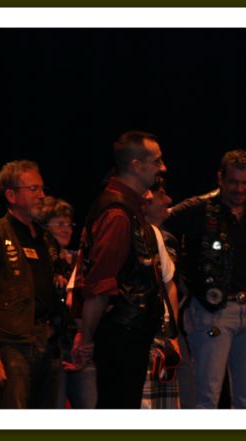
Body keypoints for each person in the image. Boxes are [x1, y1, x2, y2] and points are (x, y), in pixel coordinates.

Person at [68, 130, 179, 409]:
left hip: (128, 332)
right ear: (136, 165)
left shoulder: (127, 207)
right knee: (118, 407)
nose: (163, 167)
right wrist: (87, 339)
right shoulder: (117, 212)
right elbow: (98, 284)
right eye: (157, 161)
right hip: (121, 335)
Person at [165, 149, 246, 409]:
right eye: (234, 182)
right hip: (210, 310)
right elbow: (158, 223)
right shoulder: (197, 208)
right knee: (205, 396)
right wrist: (179, 280)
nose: (240, 189)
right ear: (220, 178)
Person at [0, 160, 63, 408]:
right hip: (12, 345)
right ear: (11, 195)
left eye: (42, 188)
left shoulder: (45, 238)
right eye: (34, 189)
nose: (42, 195)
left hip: (48, 340)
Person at [38, 196, 98, 409]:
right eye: (60, 224)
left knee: (91, 407)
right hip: (52, 346)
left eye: (69, 224)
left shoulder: (80, 260)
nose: (67, 229)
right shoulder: (39, 261)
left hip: (79, 344)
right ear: (45, 228)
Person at [140, 176, 192, 409]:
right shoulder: (126, 233)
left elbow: (171, 285)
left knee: (172, 399)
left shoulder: (165, 238)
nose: (169, 200)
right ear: (146, 199)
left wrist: (172, 333)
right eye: (162, 195)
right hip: (142, 331)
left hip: (165, 330)